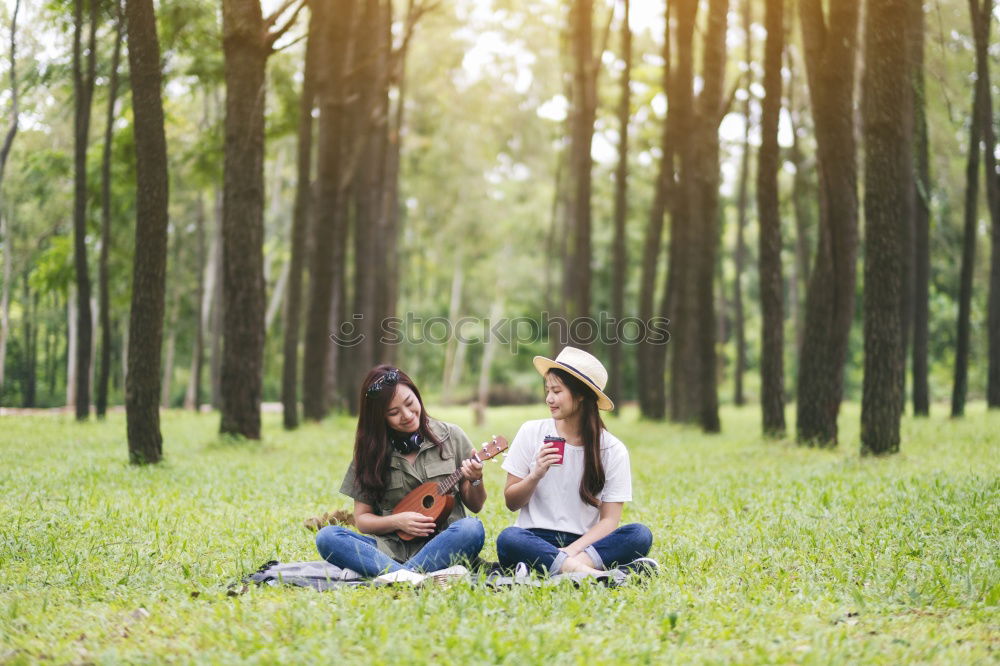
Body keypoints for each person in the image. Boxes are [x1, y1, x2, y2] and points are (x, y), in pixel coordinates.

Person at [315, 365, 487, 581]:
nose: (406, 415)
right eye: (393, 412)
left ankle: (390, 574)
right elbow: (363, 520)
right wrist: (398, 521)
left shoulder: (451, 436)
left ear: (416, 394)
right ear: (379, 418)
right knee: (328, 537)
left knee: (471, 528)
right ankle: (416, 576)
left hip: (444, 542)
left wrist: (475, 479)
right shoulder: (370, 453)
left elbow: (476, 505)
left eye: (409, 403)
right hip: (390, 548)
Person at [497, 347, 656, 576]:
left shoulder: (612, 449)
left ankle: (564, 568)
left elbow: (609, 521)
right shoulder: (531, 431)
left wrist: (570, 552)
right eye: (548, 390)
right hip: (532, 538)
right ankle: (594, 575)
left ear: (581, 395)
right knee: (508, 538)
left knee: (640, 534)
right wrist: (535, 475)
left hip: (583, 544)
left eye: (557, 391)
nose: (549, 398)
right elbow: (511, 502)